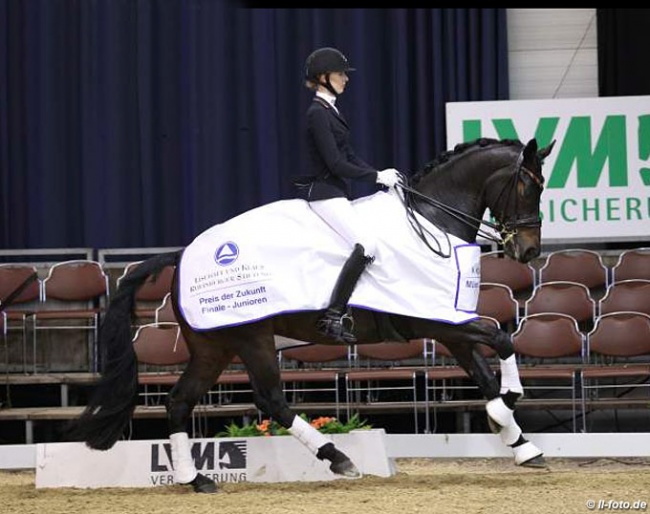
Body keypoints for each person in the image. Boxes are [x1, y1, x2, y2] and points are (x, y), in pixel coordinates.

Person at [294, 46, 403, 344]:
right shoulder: (317, 113)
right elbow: (336, 163)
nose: (346, 79)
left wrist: (382, 176)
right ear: (324, 77)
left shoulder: (331, 110)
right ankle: (332, 316)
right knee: (366, 245)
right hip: (325, 192)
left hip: (337, 191)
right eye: (341, 74)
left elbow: (350, 155)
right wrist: (375, 177)